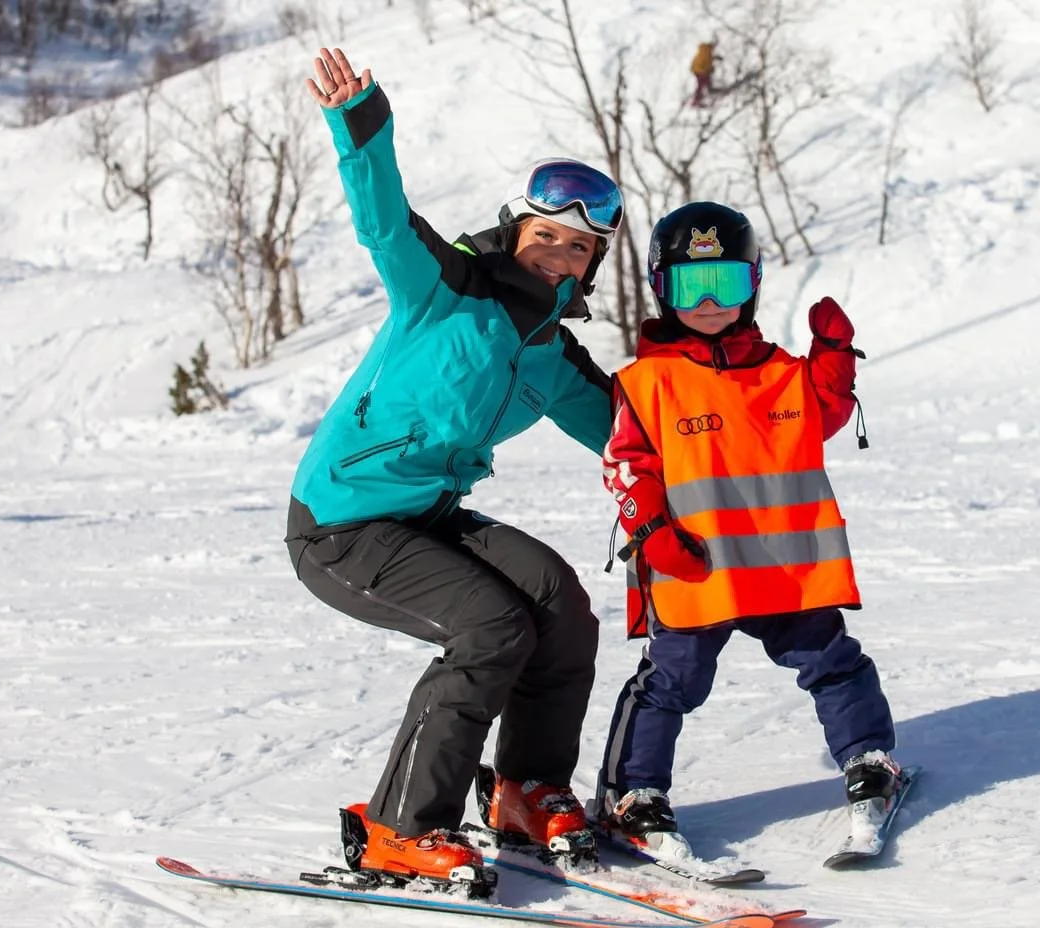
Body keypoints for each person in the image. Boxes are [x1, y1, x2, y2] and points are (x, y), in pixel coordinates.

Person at [284, 47, 625, 894]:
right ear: (517, 232)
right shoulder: (446, 288)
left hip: (428, 517)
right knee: (490, 628)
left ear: (592, 264)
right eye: (547, 235)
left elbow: (632, 435)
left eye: (579, 248)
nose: (559, 255)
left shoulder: (551, 354)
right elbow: (385, 220)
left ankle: (524, 790)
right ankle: (402, 825)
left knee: (557, 600)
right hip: (343, 521)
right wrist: (361, 123)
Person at [591, 201, 900, 863]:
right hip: (697, 567)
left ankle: (869, 759)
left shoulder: (785, 371)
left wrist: (836, 360)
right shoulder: (645, 384)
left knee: (832, 664)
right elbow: (626, 465)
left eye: (724, 284)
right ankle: (633, 794)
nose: (708, 302)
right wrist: (651, 531)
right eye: (689, 286)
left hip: (787, 569)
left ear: (753, 285)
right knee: (671, 682)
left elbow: (821, 415)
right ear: (659, 289)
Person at [689, 40, 717, 108]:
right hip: (698, 71)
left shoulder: (707, 51)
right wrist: (707, 71)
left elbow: (708, 60)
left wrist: (715, 58)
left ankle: (710, 90)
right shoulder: (705, 53)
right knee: (701, 84)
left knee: (707, 80)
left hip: (701, 70)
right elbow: (700, 64)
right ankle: (695, 101)